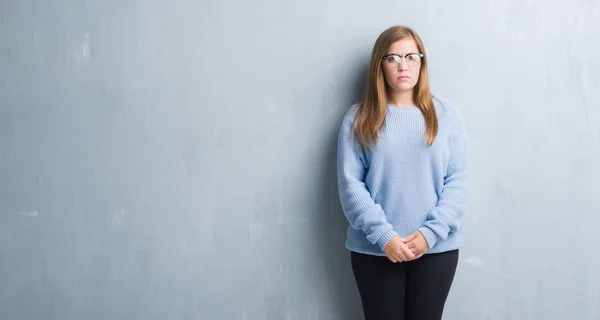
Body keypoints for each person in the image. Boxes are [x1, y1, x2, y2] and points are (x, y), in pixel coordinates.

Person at [336, 25, 469, 320]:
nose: (403, 65)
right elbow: (350, 185)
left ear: (422, 62)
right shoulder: (358, 118)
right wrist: (384, 237)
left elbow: (457, 183)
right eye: (392, 57)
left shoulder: (447, 115)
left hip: (436, 251)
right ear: (379, 65)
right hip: (375, 250)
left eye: (411, 56)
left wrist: (429, 234)